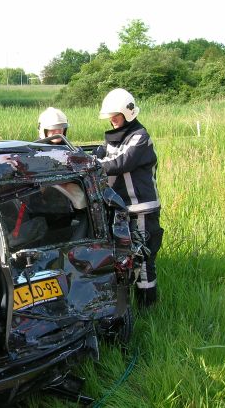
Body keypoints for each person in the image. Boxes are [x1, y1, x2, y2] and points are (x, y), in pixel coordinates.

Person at [94, 88, 163, 308]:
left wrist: (92, 165)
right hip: (120, 209)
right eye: (110, 116)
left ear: (128, 113)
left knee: (143, 260)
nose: (112, 120)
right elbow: (99, 154)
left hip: (140, 207)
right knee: (123, 259)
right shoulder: (113, 139)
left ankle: (148, 307)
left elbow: (122, 163)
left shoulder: (140, 137)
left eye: (116, 115)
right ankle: (124, 305)